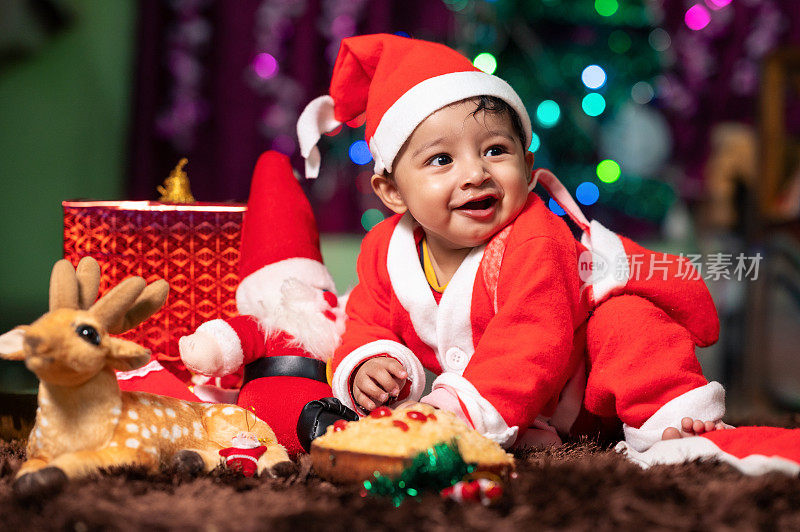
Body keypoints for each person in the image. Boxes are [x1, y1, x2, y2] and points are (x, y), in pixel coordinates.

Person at [295, 33, 726, 451]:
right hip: (509, 406)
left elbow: (529, 341)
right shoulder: (385, 251)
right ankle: (515, 427)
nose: (476, 173)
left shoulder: (536, 239)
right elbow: (366, 320)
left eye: (495, 150)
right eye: (442, 159)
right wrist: (368, 361)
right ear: (392, 192)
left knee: (627, 322)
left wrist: (455, 414)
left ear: (527, 163)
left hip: (584, 392)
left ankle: (674, 420)